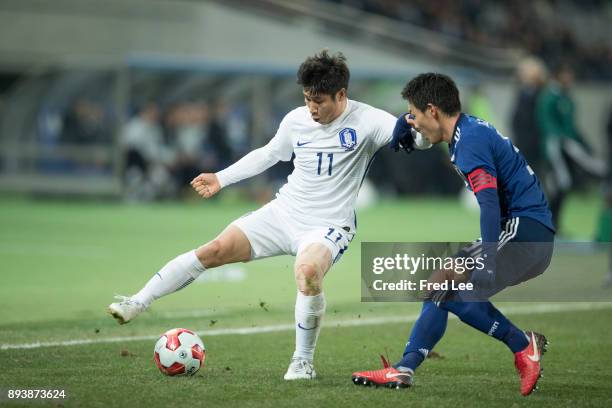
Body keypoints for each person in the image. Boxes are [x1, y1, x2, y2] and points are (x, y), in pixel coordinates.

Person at [108, 51, 430, 380]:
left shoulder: (368, 120)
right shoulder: (296, 120)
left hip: (329, 225)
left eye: (319, 101)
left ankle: (302, 362)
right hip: (283, 212)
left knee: (307, 273)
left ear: (341, 95)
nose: (312, 108)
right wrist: (221, 178)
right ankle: (138, 301)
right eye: (307, 99)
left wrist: (416, 135)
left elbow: (417, 139)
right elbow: (269, 154)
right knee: (213, 250)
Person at [352, 73, 555, 396]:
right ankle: (403, 369)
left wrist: (487, 261)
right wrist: (403, 124)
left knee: (446, 290)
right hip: (527, 230)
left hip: (523, 233)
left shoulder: (469, 142)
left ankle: (522, 345)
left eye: (416, 115)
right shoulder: (467, 130)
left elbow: (488, 205)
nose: (414, 124)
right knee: (440, 281)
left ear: (433, 110)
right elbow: (417, 121)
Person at [536, 64, 607, 233]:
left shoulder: (565, 97)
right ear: (559, 75)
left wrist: (584, 143)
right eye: (567, 74)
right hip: (556, 149)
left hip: (568, 147)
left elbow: (571, 126)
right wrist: (561, 140)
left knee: (563, 185)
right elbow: (546, 122)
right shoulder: (550, 97)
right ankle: (548, 223)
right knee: (560, 183)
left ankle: (554, 223)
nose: (570, 78)